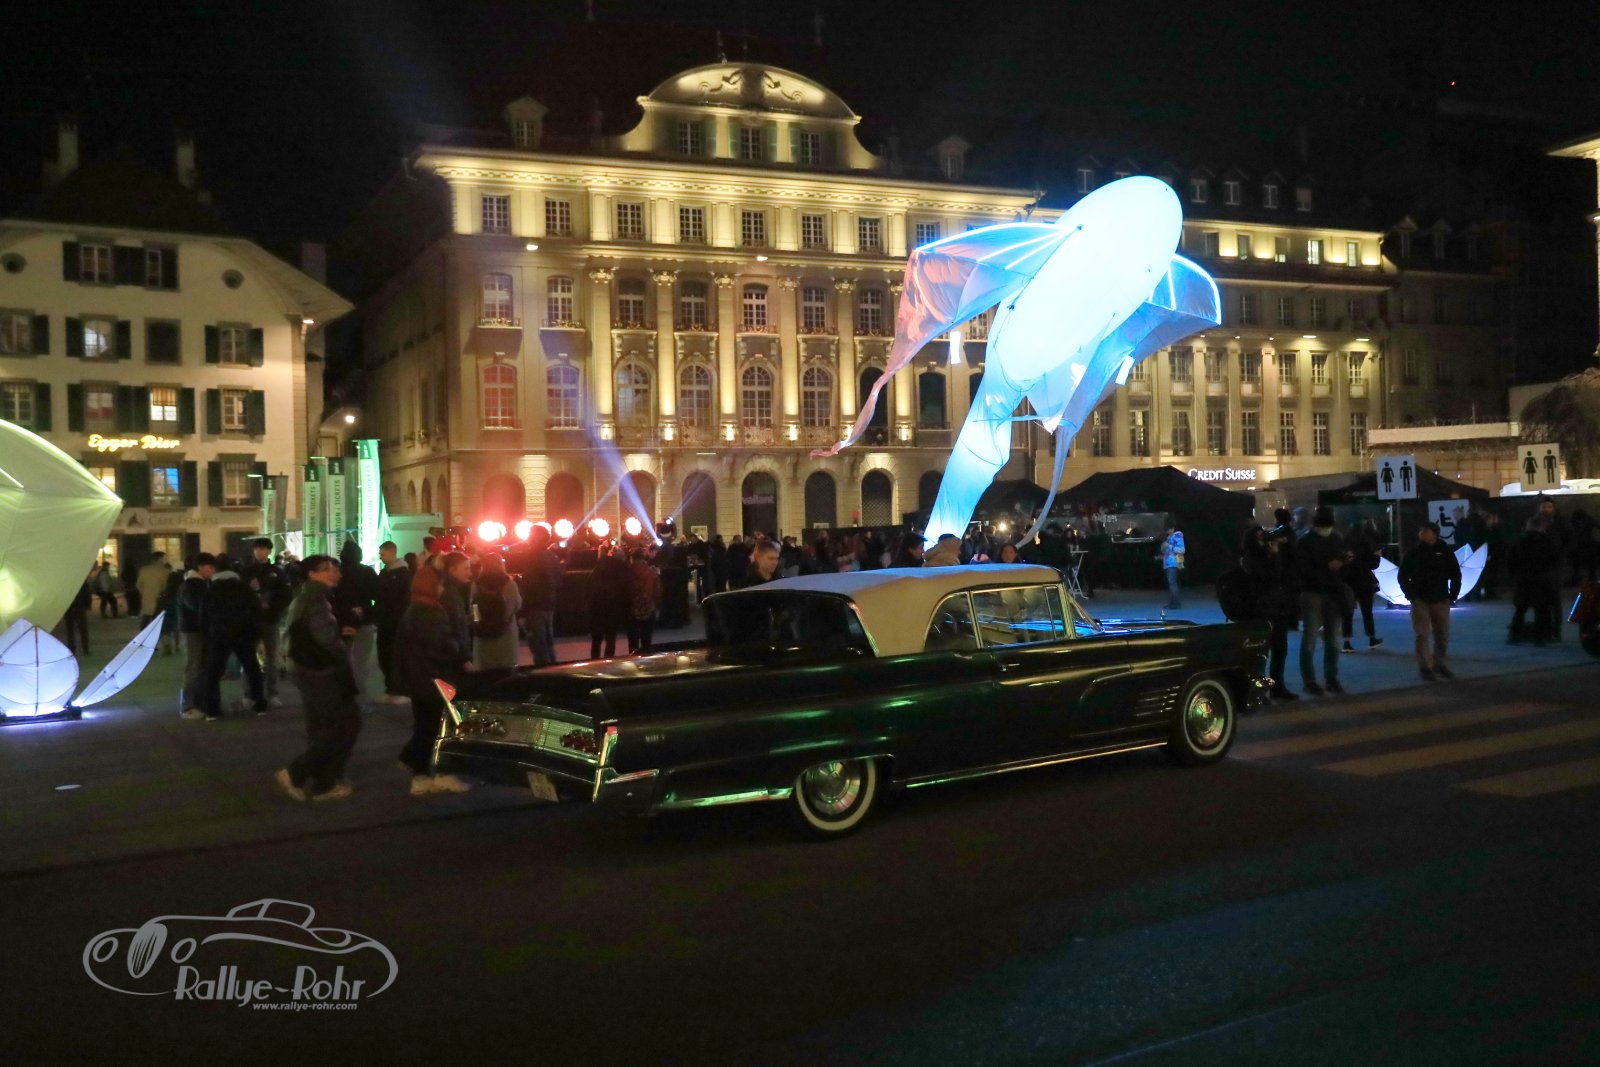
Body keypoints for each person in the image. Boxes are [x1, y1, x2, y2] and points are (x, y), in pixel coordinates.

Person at [276, 555, 362, 802]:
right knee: (343, 723)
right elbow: (326, 639)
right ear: (311, 574)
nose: (334, 573)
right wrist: (342, 645)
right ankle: (300, 774)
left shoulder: (307, 596)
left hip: (305, 668)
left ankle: (324, 779)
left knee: (323, 724)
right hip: (320, 670)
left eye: (335, 568)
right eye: (326, 569)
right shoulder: (316, 599)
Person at [395, 564, 473, 796]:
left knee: (425, 726)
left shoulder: (413, 609)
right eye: (439, 585)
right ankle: (435, 773)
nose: (441, 589)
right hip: (435, 679)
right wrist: (457, 646)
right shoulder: (431, 612)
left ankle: (417, 767)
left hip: (419, 678)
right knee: (441, 727)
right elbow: (441, 647)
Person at [199, 556, 266, 719]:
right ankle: (259, 703)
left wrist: (208, 634)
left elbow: (203, 616)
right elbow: (256, 611)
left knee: (213, 672)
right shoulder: (244, 588)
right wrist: (256, 633)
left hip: (219, 635)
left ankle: (212, 709)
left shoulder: (211, 590)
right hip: (244, 633)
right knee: (252, 668)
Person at [1294, 506, 1347, 696]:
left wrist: (1342, 561)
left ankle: (1316, 680)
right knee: (1325, 639)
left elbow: (1302, 569)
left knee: (1317, 638)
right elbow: (1303, 569)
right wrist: (1332, 565)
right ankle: (1323, 679)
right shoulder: (1332, 538)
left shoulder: (1307, 540)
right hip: (1319, 591)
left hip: (1321, 592)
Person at [1399, 522, 1462, 681]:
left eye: (1425, 531)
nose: (1421, 533)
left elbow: (1455, 574)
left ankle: (1439, 663)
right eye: (1421, 530)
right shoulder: (1414, 552)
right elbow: (1403, 575)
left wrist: (1452, 595)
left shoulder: (1445, 551)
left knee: (1442, 634)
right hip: (1420, 600)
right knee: (1422, 634)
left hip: (1441, 599)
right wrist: (1411, 595)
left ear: (1434, 533)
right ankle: (1425, 667)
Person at [244, 538, 292, 707]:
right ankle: (249, 693)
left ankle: (272, 693)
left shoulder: (277, 572)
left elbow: (286, 595)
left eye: (263, 549)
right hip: (250, 619)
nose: (259, 552)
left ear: (269, 551)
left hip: (270, 618)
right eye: (257, 549)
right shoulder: (246, 571)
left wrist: (272, 606)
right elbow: (239, 594)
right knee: (249, 657)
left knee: (272, 658)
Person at [332, 540, 381, 700]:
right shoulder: (366, 572)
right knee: (361, 661)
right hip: (363, 619)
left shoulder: (337, 572)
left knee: (342, 659)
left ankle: (342, 694)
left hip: (341, 620)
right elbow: (378, 595)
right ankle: (359, 695)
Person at [1509, 512, 1564, 645]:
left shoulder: (1519, 542)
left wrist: (1514, 575)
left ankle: (1514, 636)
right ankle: (1540, 638)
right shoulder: (1546, 542)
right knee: (1541, 610)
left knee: (1520, 610)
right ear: (1540, 527)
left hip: (1522, 580)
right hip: (1541, 580)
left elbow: (1511, 561)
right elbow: (1555, 560)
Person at [372, 541, 412, 703]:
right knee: (385, 655)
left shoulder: (402, 574)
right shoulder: (386, 572)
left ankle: (399, 690)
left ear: (391, 552)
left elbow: (402, 599)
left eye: (382, 554)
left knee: (394, 655)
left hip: (396, 621)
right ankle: (391, 688)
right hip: (386, 621)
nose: (380, 557)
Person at [177, 555, 216, 719]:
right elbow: (197, 607)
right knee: (193, 667)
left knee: (198, 667)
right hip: (193, 630)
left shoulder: (200, 583)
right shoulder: (193, 585)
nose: (213, 571)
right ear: (200, 567)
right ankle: (188, 706)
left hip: (196, 629)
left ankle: (196, 703)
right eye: (210, 567)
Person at [470, 553, 522, 676]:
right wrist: (502, 619)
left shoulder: (476, 584)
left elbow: (473, 607)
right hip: (505, 632)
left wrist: (478, 622)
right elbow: (517, 605)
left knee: (486, 671)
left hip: (483, 635)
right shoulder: (509, 584)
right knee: (506, 670)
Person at [519, 527, 563, 667]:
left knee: (539, 645)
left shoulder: (532, 556)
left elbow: (528, 584)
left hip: (535, 607)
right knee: (548, 644)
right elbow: (559, 579)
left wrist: (522, 612)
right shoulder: (551, 556)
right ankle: (553, 671)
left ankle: (544, 673)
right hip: (549, 605)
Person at [1341, 518, 1384, 652]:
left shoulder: (1344, 543)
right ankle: (1371, 639)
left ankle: (1346, 642)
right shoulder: (1366, 542)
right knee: (1367, 612)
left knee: (1347, 613)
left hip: (1347, 581)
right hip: (1364, 581)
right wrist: (1377, 556)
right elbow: (1373, 564)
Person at [588, 543, 632, 658]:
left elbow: (590, 587)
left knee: (596, 639)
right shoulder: (621, 570)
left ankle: (594, 661)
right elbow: (626, 590)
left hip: (597, 608)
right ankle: (608, 662)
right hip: (614, 608)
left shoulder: (598, 568)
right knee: (611, 639)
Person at [627, 549, 663, 654]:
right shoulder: (652, 572)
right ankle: (646, 658)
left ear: (632, 559)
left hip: (632, 608)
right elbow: (657, 591)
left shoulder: (627, 572)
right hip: (648, 607)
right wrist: (657, 605)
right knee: (646, 639)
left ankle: (633, 658)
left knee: (633, 640)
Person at [134, 552, 170, 628]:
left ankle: (144, 633)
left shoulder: (144, 570)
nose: (166, 560)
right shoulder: (165, 571)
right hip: (159, 599)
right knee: (157, 621)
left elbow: (138, 585)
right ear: (160, 559)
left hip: (146, 599)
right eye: (165, 558)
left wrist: (144, 593)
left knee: (146, 618)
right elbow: (167, 586)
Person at [60, 574, 93, 656]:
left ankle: (72, 648)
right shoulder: (81, 581)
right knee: (82, 629)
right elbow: (87, 593)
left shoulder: (66, 582)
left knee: (70, 630)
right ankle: (85, 648)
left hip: (70, 608)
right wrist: (87, 605)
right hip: (79, 607)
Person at [1160, 520, 1186, 609]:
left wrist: (1169, 546)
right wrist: (1164, 547)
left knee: (1172, 582)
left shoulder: (1178, 535)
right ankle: (1172, 602)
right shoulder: (1169, 537)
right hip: (1168, 563)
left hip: (1173, 562)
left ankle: (1176, 603)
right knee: (1171, 583)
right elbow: (1165, 551)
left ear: (1172, 528)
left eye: (1168, 529)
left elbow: (1181, 550)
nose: (1167, 531)